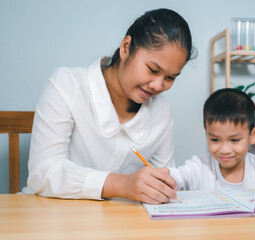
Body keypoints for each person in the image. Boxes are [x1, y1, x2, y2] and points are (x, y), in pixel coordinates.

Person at [27, 8, 195, 204]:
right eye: (152, 69)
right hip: (57, 216)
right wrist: (122, 184)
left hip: (123, 223)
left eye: (170, 77)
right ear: (126, 47)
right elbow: (43, 172)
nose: (159, 85)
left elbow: (163, 177)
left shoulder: (162, 110)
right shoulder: (67, 85)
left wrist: (160, 187)